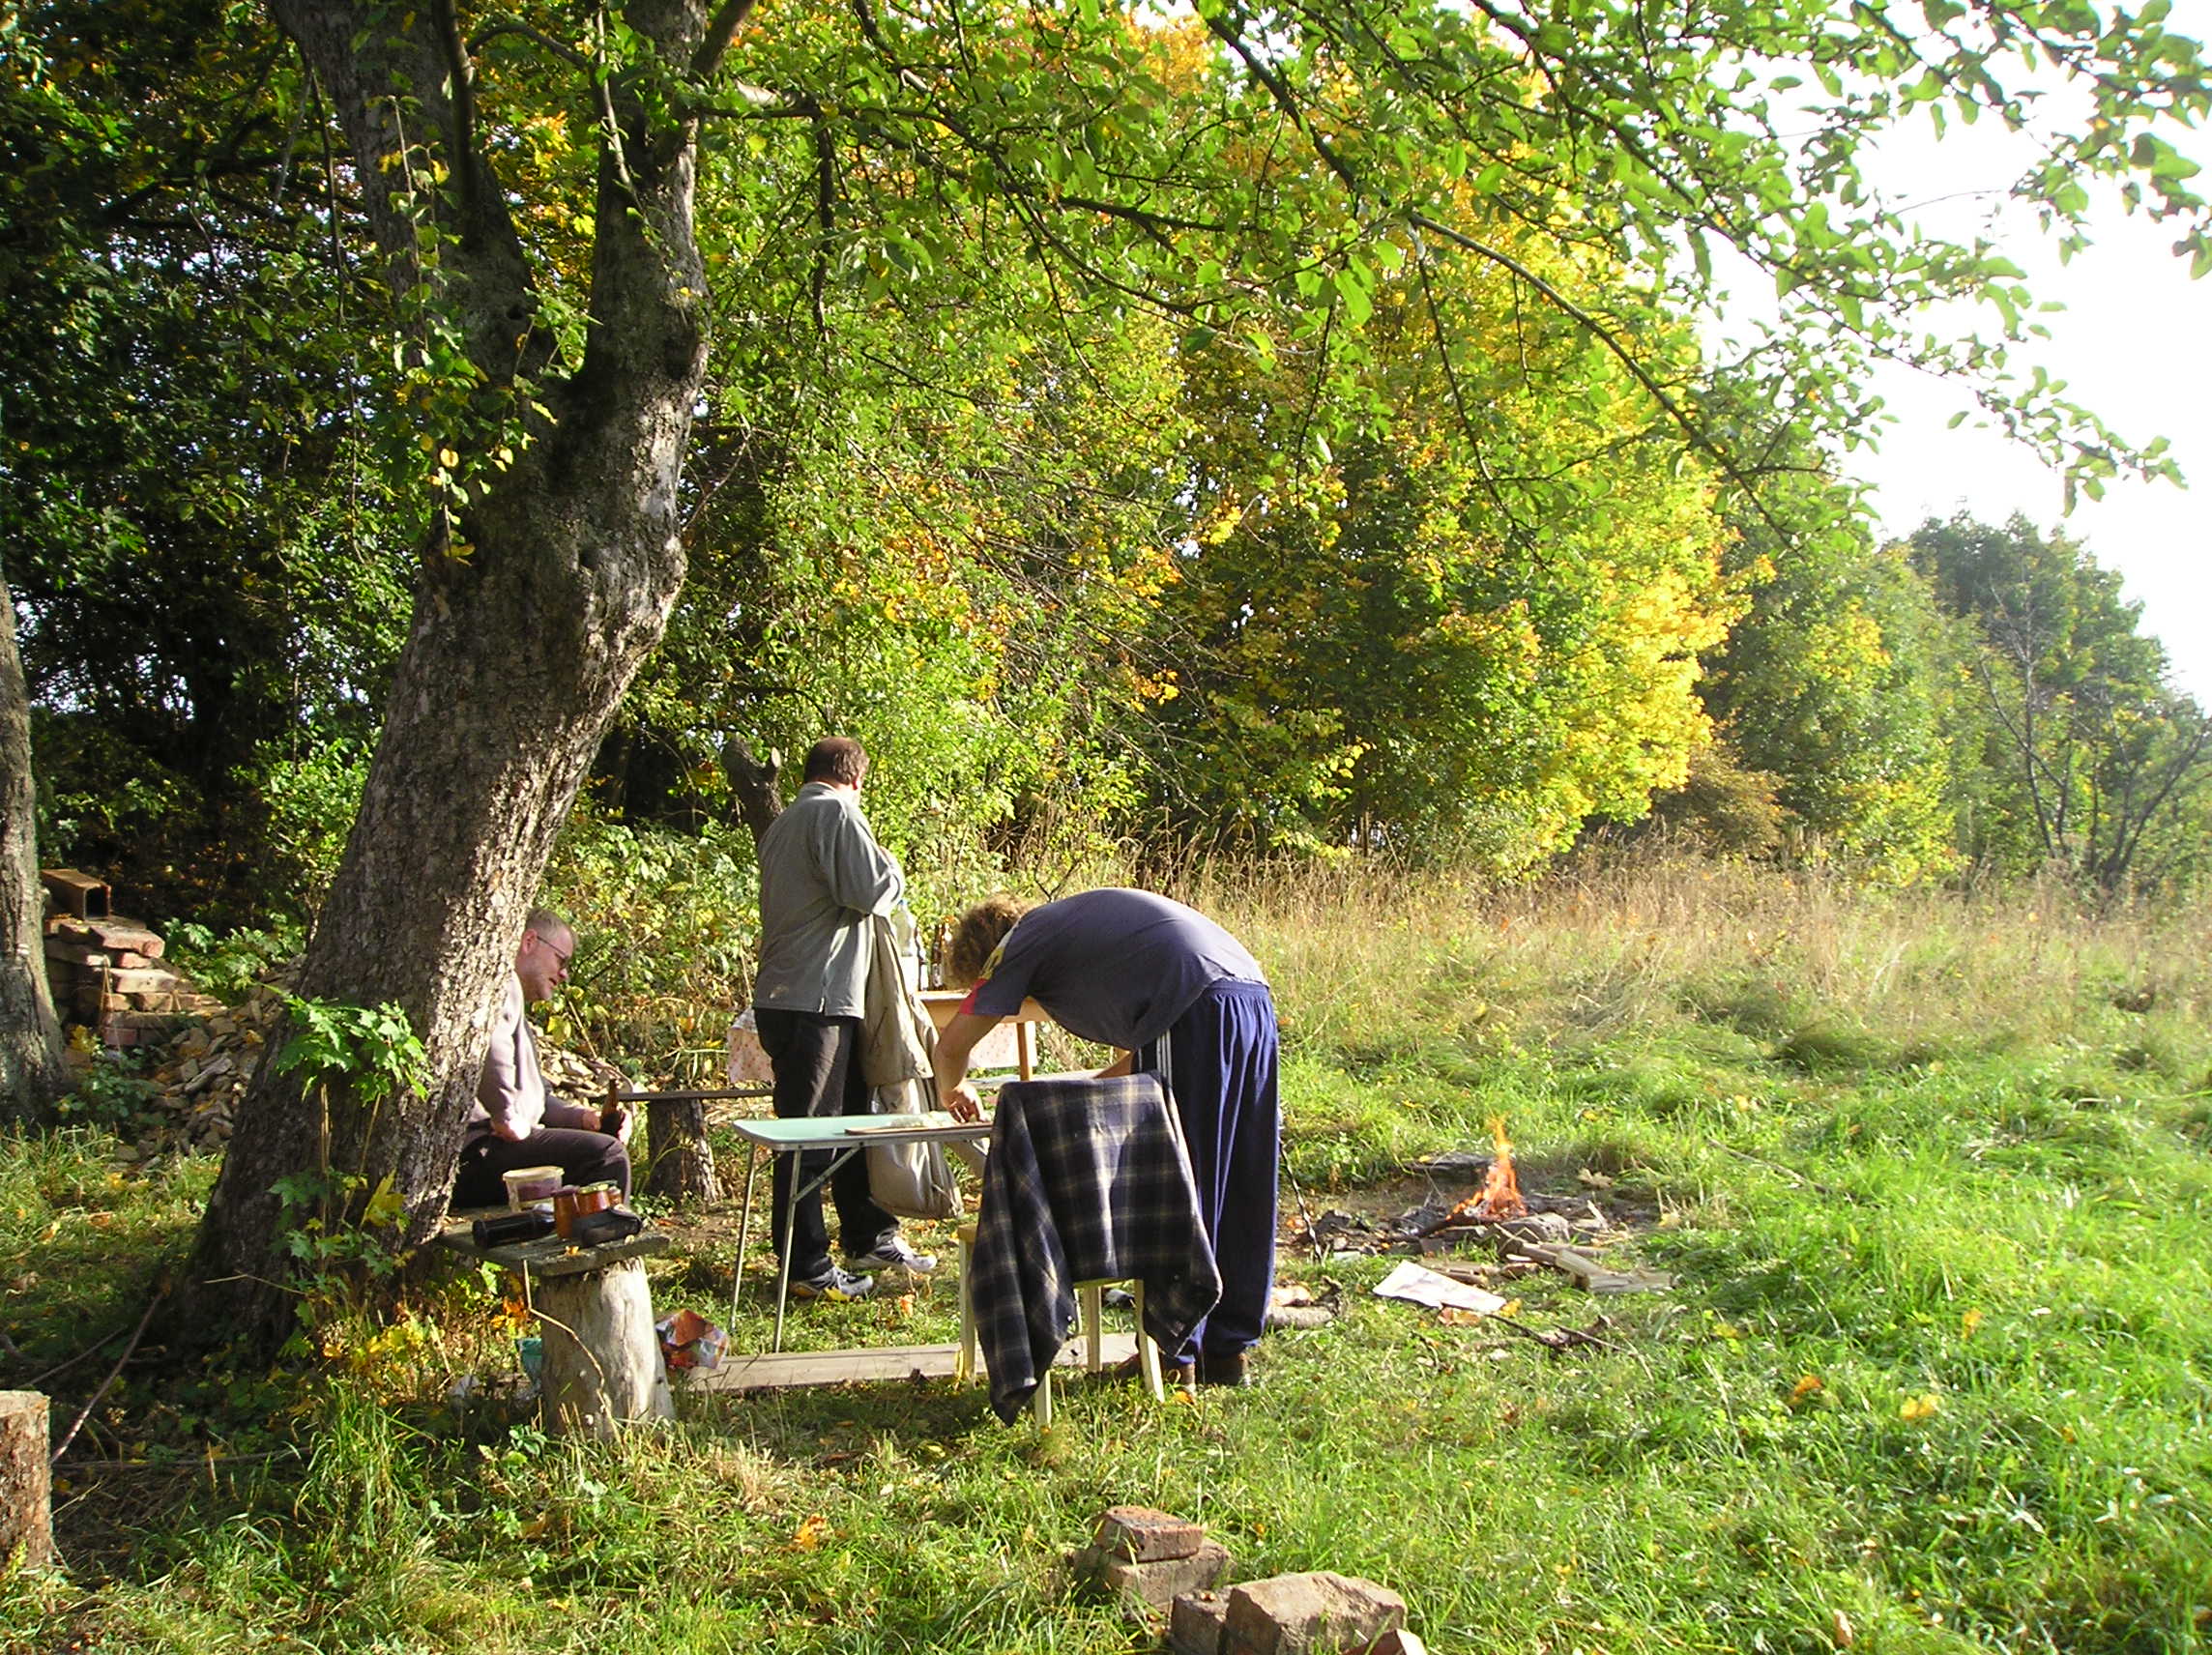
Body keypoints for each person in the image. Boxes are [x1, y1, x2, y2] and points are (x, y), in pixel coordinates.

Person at [934, 888, 1280, 1386]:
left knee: (1180, 1179)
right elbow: (1146, 1057)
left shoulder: (1021, 940)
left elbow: (951, 1046)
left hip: (1195, 1001)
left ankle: (1173, 1353)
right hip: (1250, 998)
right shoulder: (1081, 930)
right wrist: (1083, 1090)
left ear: (984, 953)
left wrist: (954, 1089)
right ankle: (1229, 1350)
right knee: (1241, 1176)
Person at [752, 736, 936, 1299]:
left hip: (812, 996)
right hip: (815, 1000)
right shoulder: (834, 812)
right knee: (810, 1135)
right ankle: (805, 1265)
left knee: (855, 1121)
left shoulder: (784, 822)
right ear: (855, 779)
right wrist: (894, 865)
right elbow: (874, 890)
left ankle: (868, 1235)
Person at [452, 908, 632, 1209]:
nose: (564, 974)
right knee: (606, 1155)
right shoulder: (500, 983)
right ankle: (601, 1238)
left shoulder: (518, 1012)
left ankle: (576, 1236)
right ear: (529, 942)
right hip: (476, 1151)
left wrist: (584, 1119)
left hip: (493, 1149)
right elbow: (491, 1047)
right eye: (561, 960)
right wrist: (505, 1115)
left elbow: (540, 1100)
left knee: (600, 1151)